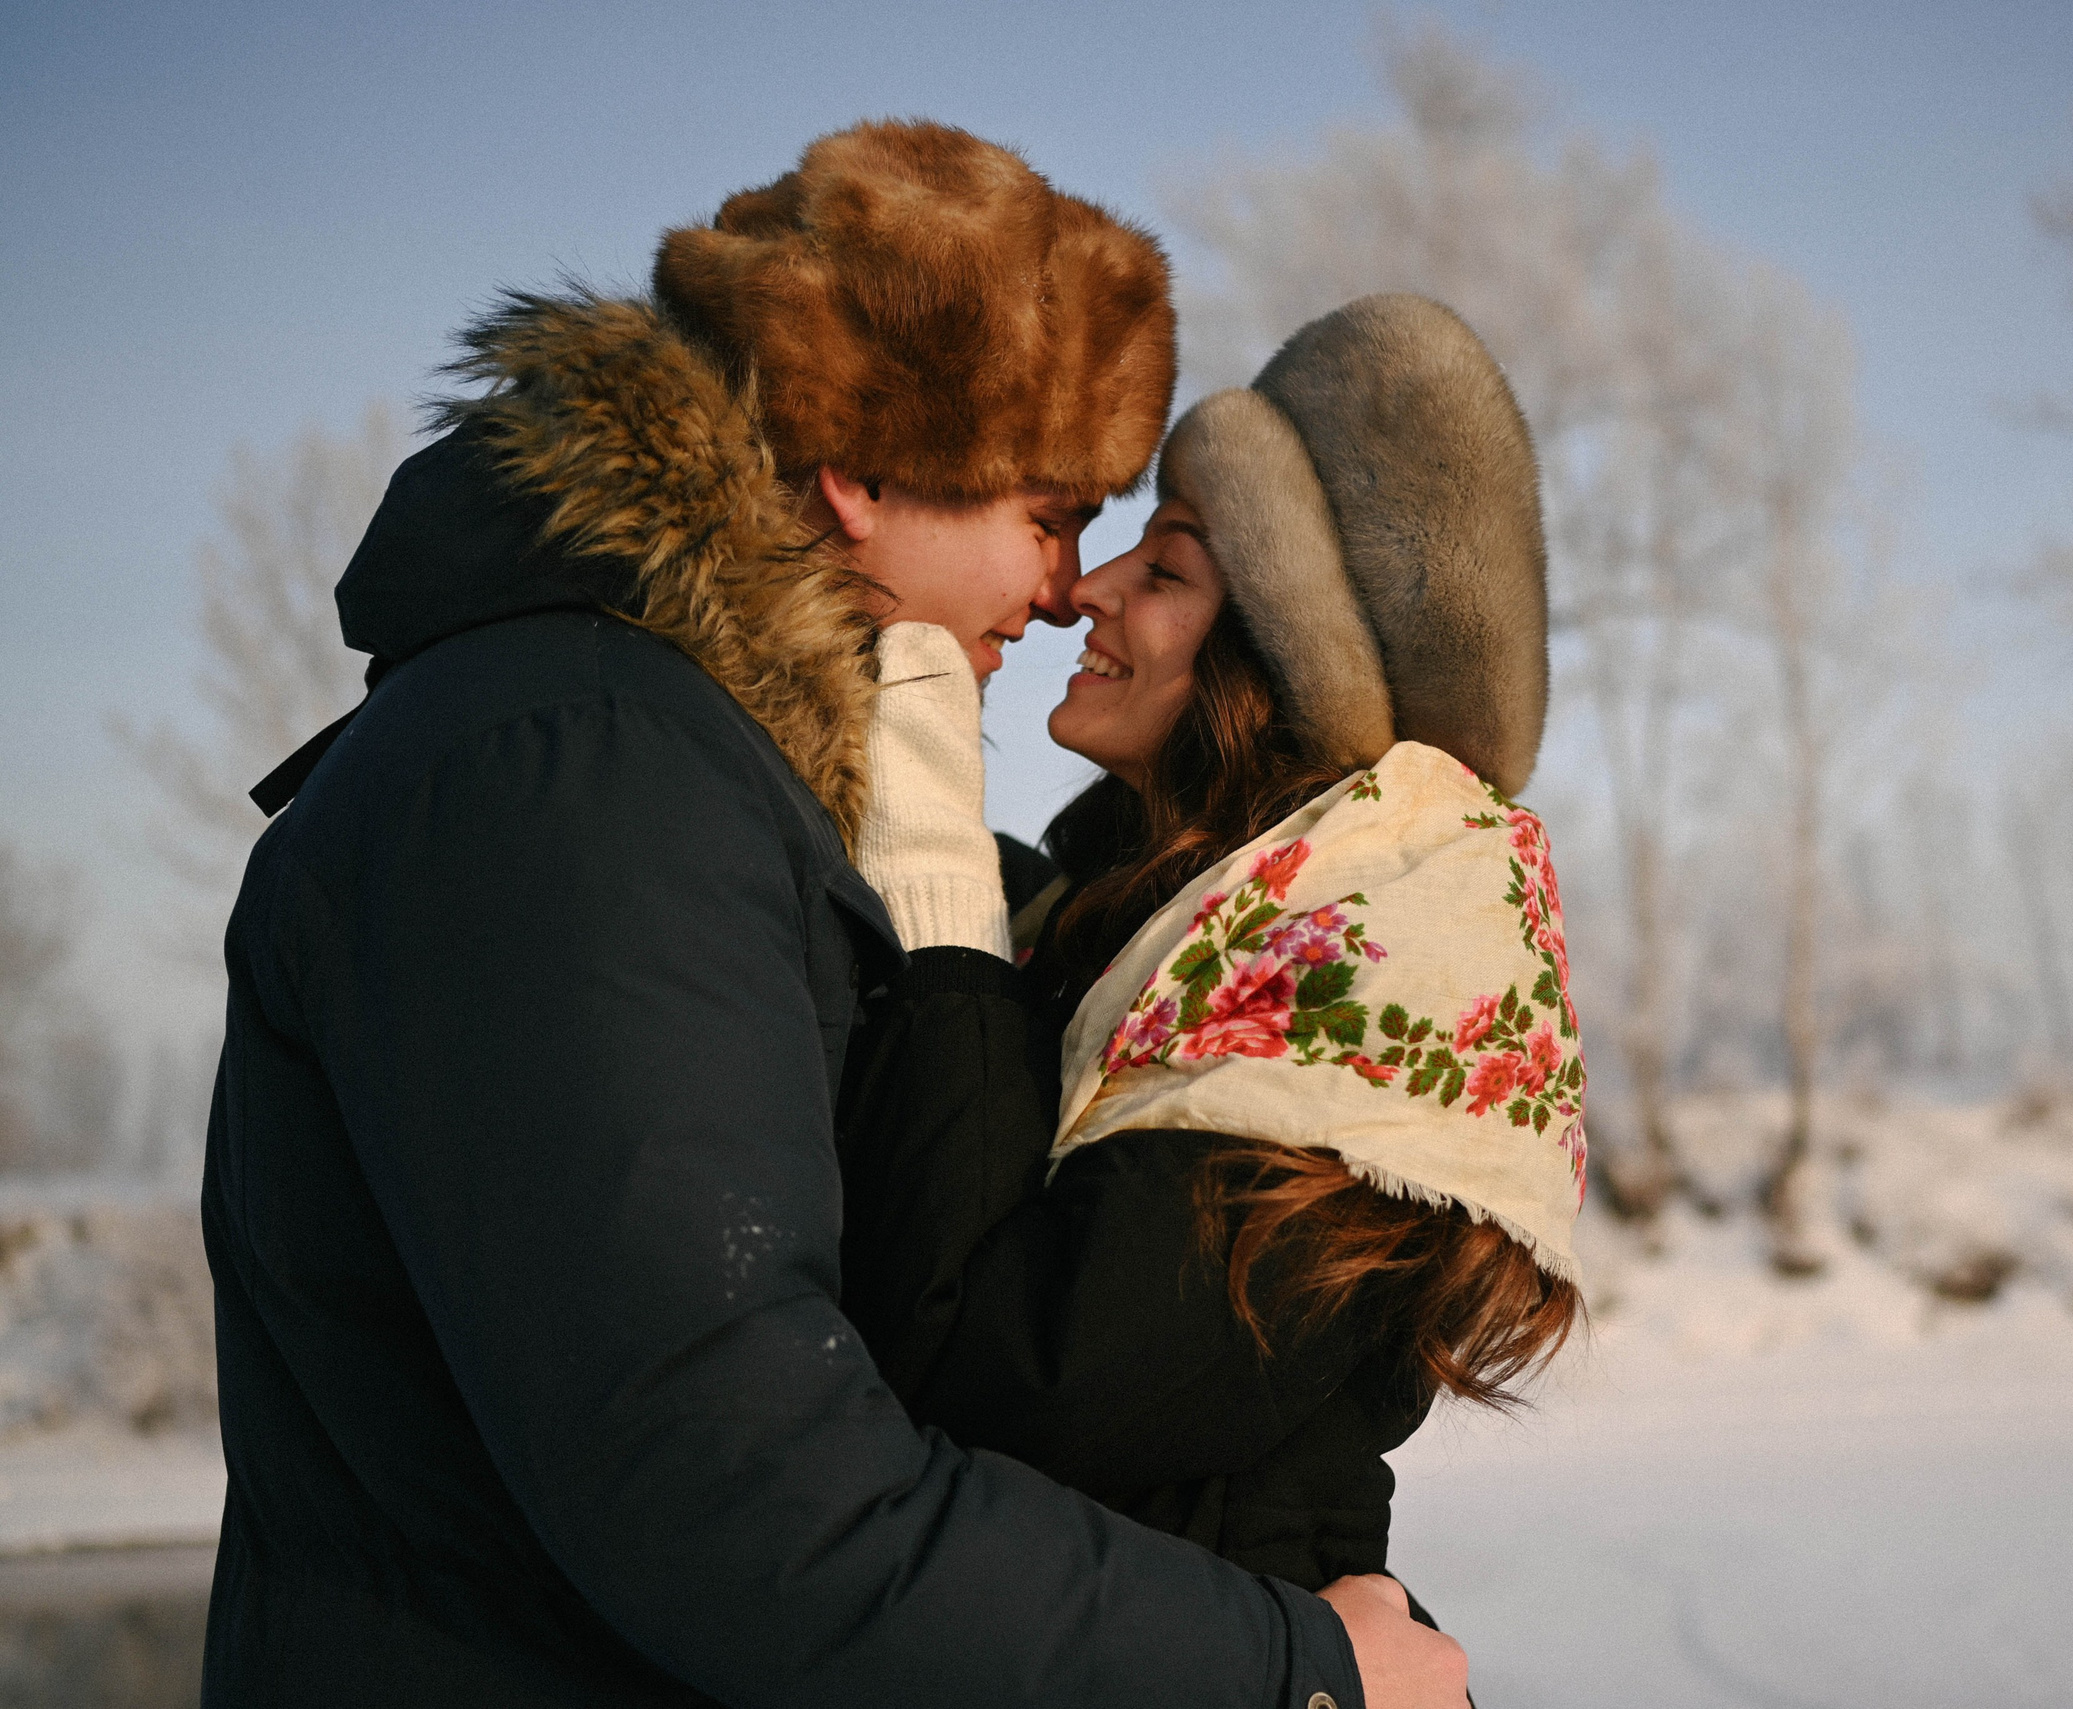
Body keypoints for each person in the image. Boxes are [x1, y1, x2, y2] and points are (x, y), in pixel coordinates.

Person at [200, 123, 1463, 1707]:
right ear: (860, 473)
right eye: (1050, 512)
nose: (1065, 588)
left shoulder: (679, 771)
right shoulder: (585, 771)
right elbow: (734, 1490)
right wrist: (1287, 1669)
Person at [836, 295, 1586, 1602]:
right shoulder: (1114, 931)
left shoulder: (1356, 987)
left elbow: (1008, 1376)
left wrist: (934, 872)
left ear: (1281, 663)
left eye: (1169, 570)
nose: (1087, 588)